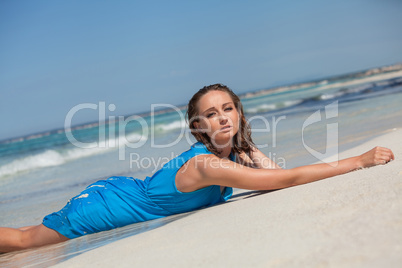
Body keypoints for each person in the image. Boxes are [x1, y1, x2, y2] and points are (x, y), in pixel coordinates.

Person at [0, 84, 394, 252]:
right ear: (197, 127)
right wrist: (357, 162)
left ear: (239, 112)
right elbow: (283, 180)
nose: (222, 118)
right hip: (104, 207)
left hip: (126, 191)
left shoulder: (230, 155)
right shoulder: (207, 165)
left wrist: (246, 144)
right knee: (21, 241)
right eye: (211, 114)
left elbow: (272, 174)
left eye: (228, 109)